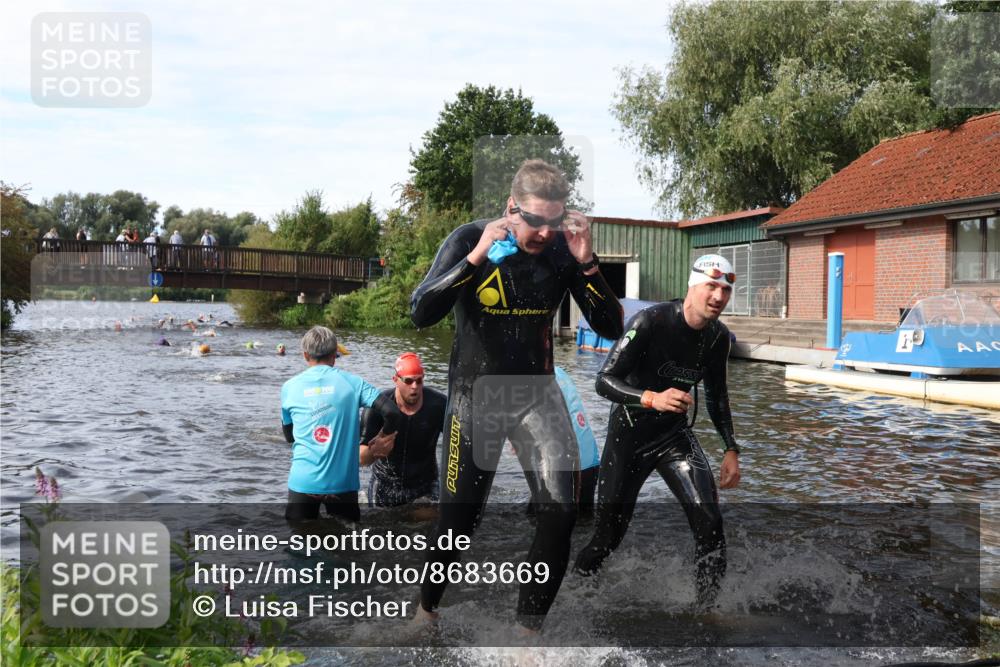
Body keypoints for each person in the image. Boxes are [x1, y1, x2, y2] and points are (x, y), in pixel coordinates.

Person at [409, 159, 623, 631]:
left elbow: (612, 327)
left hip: (536, 395)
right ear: (511, 209)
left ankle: (527, 634)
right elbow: (421, 311)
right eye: (534, 221)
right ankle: (426, 610)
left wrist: (588, 263)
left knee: (562, 511)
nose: (545, 233)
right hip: (474, 397)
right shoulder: (470, 239)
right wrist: (478, 256)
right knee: (458, 525)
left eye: (554, 221)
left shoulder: (564, 253)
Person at [573, 254, 743, 608]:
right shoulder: (651, 320)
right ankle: (576, 589)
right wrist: (651, 398)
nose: (717, 297)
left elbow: (717, 396)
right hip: (629, 439)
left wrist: (731, 449)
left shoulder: (718, 338)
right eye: (711, 286)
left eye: (725, 290)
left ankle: (706, 610)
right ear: (693, 286)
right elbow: (603, 381)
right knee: (608, 537)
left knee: (710, 521)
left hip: (673, 438)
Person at [280, 326, 402, 523]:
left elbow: (289, 437)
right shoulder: (354, 383)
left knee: (299, 542)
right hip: (342, 484)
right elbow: (392, 412)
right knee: (347, 546)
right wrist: (382, 438)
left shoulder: (289, 387)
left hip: (303, 482)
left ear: (305, 355)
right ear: (334, 355)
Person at [359, 352, 448, 508]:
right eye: (408, 381)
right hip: (385, 483)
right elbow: (361, 459)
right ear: (396, 380)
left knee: (426, 523)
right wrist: (374, 452)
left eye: (419, 380)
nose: (415, 387)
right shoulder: (378, 407)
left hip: (424, 484)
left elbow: (459, 441)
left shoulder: (438, 405)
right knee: (378, 527)